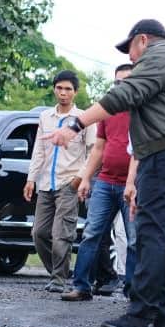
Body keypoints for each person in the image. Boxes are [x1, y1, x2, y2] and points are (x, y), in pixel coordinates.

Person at [45, 19, 165, 327]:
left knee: (149, 236)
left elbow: (126, 93)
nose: (131, 59)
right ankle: (159, 323)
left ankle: (143, 315)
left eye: (131, 50)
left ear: (143, 40)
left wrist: (75, 124)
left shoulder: (160, 56)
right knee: (155, 236)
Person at [62, 64, 137, 302]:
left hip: (133, 184)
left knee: (135, 239)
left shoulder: (144, 111)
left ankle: (132, 291)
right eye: (117, 83)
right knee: (91, 234)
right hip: (105, 181)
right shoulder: (108, 111)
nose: (121, 87)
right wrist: (86, 178)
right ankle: (81, 286)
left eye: (127, 82)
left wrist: (132, 183)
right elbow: (99, 148)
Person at [24, 70, 96, 291]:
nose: (63, 93)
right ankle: (58, 272)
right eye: (60, 88)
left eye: (68, 89)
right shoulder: (45, 116)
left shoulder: (84, 119)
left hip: (69, 182)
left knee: (61, 234)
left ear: (75, 92)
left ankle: (58, 279)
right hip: (46, 183)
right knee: (39, 233)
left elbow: (93, 151)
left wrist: (80, 177)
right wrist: (31, 179)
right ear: (54, 89)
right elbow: (39, 150)